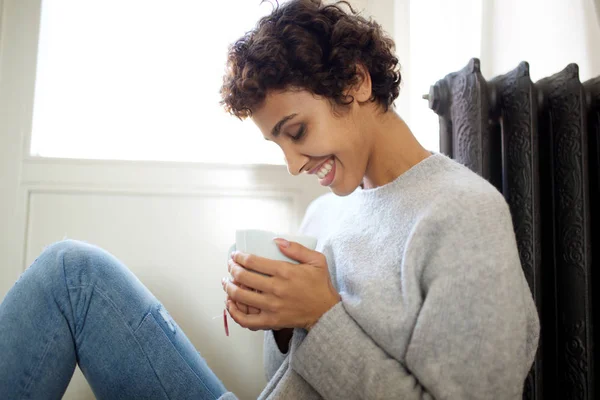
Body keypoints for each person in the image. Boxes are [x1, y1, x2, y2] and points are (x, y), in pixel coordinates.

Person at [0, 0, 539, 399]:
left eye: (297, 131)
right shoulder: (327, 211)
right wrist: (280, 318)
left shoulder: (463, 216)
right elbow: (289, 380)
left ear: (355, 82)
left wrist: (322, 315)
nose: (293, 164)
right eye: (276, 142)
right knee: (74, 275)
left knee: (73, 274)